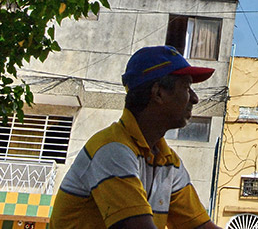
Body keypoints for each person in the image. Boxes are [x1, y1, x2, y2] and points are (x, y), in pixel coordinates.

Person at [51, 46, 223, 229]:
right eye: (187, 87)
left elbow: (201, 227)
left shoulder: (168, 162)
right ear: (158, 93)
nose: (195, 99)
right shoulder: (112, 151)